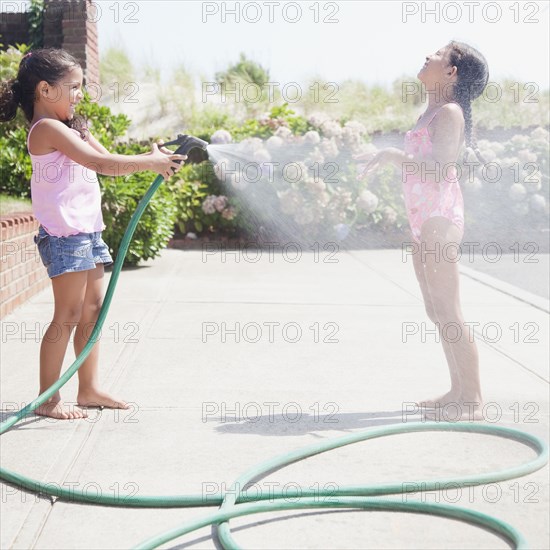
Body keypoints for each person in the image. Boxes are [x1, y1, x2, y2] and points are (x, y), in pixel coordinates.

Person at [0, 48, 187, 420]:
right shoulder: (46, 130)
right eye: (73, 87)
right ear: (45, 90)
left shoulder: (72, 126)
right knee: (67, 313)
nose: (80, 94)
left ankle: (88, 389)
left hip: (87, 231)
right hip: (64, 234)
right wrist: (151, 163)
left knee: (92, 311)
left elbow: (109, 163)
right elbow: (99, 163)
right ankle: (48, 397)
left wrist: (151, 157)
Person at [355, 41, 489, 421]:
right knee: (435, 309)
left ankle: (473, 400)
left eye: (438, 53)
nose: (428, 56)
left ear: (451, 72)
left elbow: (441, 168)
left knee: (449, 309)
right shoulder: (430, 111)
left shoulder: (449, 113)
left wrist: (393, 156)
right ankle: (457, 391)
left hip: (439, 219)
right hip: (423, 219)